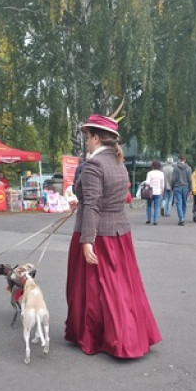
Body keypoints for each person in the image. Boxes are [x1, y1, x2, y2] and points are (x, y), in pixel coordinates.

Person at [65, 113, 161, 359]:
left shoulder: (94, 165)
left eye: (87, 138)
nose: (86, 143)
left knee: (96, 289)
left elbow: (93, 205)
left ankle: (101, 337)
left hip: (97, 235)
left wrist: (87, 240)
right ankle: (131, 336)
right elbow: (91, 195)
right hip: (119, 234)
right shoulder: (117, 163)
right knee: (122, 287)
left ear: (96, 138)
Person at [171, 155, 192, 225]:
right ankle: (183, 216)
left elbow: (173, 179)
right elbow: (190, 179)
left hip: (177, 187)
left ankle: (181, 218)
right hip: (185, 187)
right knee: (184, 203)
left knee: (179, 203)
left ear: (179, 160)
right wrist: (190, 188)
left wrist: (172, 187)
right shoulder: (189, 168)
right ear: (185, 160)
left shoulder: (175, 168)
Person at [144, 160, 164, 225]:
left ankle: (148, 219)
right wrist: (162, 190)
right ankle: (155, 221)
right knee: (156, 206)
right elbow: (162, 183)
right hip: (158, 191)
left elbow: (147, 182)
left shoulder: (149, 173)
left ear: (152, 166)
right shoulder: (161, 173)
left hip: (150, 191)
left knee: (149, 206)